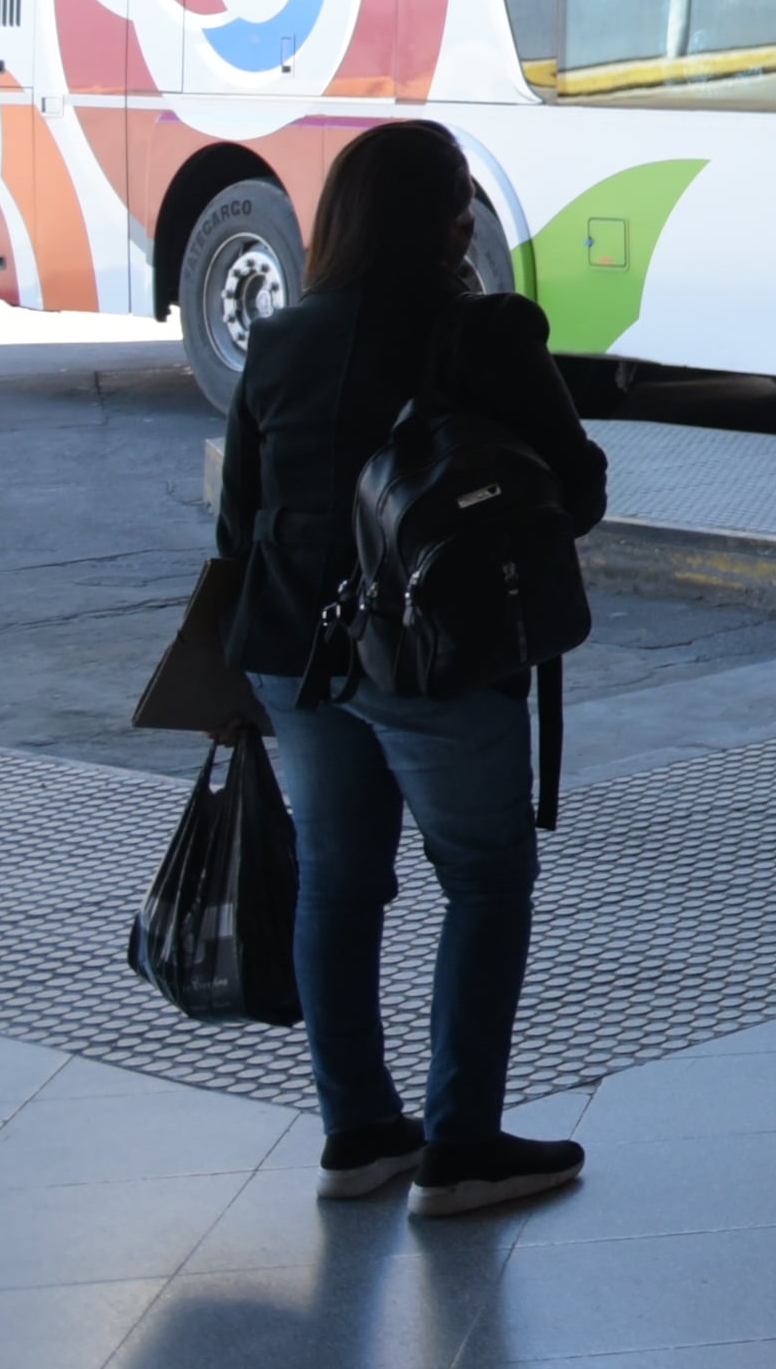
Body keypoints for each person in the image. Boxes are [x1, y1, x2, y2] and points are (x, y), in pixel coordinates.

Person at [210, 118, 605, 1219]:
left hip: (295, 653)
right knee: (485, 878)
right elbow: (576, 488)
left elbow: (237, 525)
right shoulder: (482, 338)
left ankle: (358, 1130)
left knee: (341, 880)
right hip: (432, 658)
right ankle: (462, 1143)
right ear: (446, 219)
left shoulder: (279, 340)